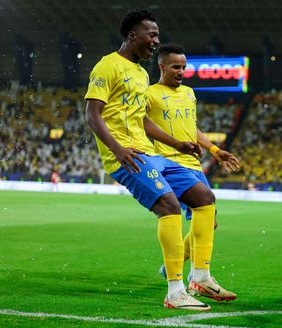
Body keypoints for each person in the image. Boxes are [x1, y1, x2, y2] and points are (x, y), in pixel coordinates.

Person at [85, 9, 212, 311]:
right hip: (126, 157)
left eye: (157, 35)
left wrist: (177, 143)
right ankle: (175, 290)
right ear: (133, 35)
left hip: (149, 153)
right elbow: (92, 114)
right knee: (168, 205)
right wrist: (118, 150)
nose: (156, 40)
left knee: (204, 198)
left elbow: (142, 119)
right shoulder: (107, 66)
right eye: (152, 34)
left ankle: (202, 276)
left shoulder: (141, 74)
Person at [145, 43, 239, 302]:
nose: (181, 71)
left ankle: (172, 266)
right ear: (162, 66)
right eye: (176, 67)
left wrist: (215, 150)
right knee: (201, 209)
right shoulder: (149, 94)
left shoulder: (188, 93)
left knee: (211, 221)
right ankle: (199, 277)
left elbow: (192, 128)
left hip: (194, 164)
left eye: (184, 67)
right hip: (168, 163)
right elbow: (141, 125)